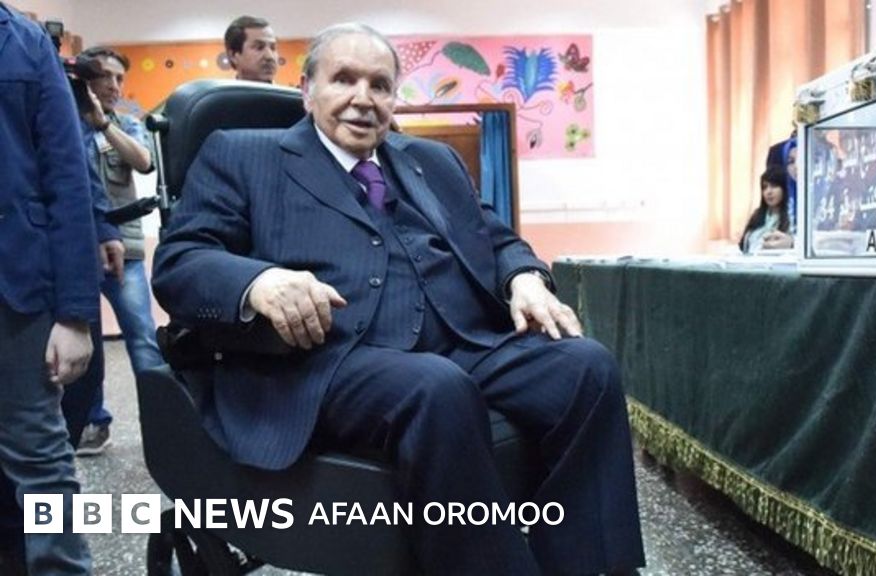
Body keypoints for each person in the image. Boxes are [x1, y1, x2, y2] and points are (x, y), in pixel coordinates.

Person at [153, 22, 644, 576]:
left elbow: (496, 240)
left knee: (587, 367)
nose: (363, 98)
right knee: (436, 387)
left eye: (380, 85)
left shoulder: (434, 161)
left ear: (393, 99)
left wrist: (524, 278)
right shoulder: (244, 155)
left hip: (463, 340)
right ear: (307, 90)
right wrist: (259, 282)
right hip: (330, 357)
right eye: (344, 79)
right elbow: (180, 261)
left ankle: (588, 566)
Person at [0, 3, 101, 573]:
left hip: (16, 287)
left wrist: (76, 313)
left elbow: (67, 178)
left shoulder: (26, 43)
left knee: (41, 460)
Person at [74, 46, 162, 456]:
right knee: (86, 343)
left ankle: (162, 424)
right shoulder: (63, 122)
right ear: (85, 82)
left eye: (119, 78)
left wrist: (104, 124)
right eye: (104, 77)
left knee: (142, 337)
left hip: (123, 252)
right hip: (78, 251)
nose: (113, 85)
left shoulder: (124, 124)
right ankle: (94, 423)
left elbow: (143, 161)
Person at [739, 166, 793, 253]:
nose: (769, 192)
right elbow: (743, 246)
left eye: (774, 186)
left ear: (784, 189)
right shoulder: (757, 216)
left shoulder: (791, 217)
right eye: (765, 187)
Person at [224, 15, 278, 83]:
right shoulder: (220, 90)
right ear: (233, 56)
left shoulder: (288, 90)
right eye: (259, 47)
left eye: (273, 48)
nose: (269, 56)